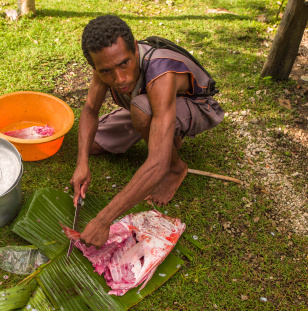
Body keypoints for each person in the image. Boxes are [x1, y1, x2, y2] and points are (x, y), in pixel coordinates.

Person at [70, 15, 224, 248]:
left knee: (142, 111)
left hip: (197, 107)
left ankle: (177, 167)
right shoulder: (106, 63)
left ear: (134, 48)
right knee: (92, 144)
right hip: (147, 102)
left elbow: (156, 164)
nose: (119, 78)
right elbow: (90, 109)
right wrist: (82, 163)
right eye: (106, 71)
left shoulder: (159, 71)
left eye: (124, 63)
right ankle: (166, 137)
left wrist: (103, 220)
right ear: (96, 67)